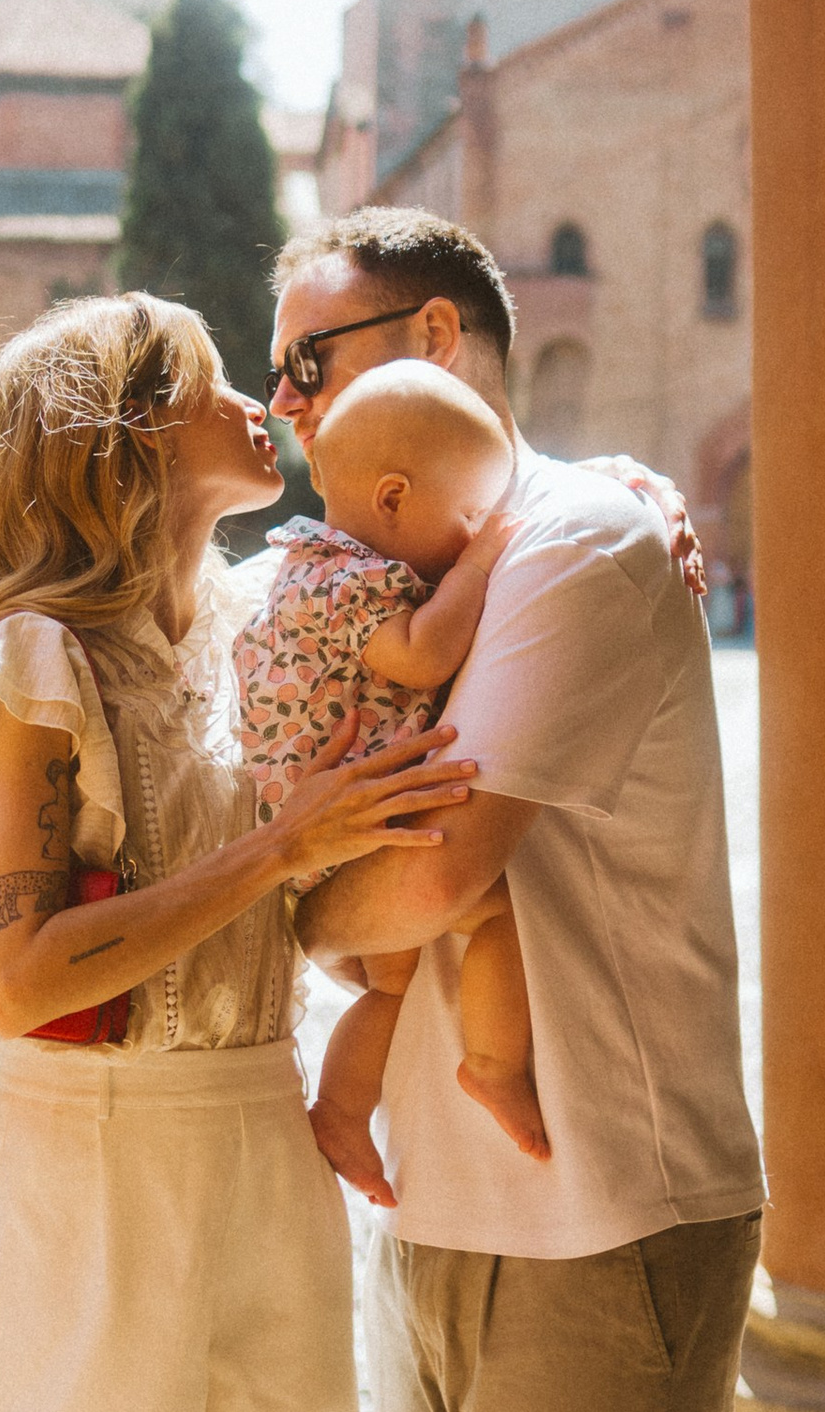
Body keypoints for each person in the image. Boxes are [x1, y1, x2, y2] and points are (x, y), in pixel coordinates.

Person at [0, 292, 477, 1412]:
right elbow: (20, 978)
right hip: (92, 1171)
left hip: (271, 1136)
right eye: (207, 380)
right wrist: (286, 846)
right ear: (126, 430)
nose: (254, 400)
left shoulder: (263, 626)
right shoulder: (40, 656)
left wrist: (620, 503)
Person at [277, 208, 766, 1412]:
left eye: (307, 361)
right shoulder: (372, 574)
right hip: (433, 1209)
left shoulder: (578, 538)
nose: (283, 401)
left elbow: (436, 878)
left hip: (595, 1208)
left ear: (434, 335)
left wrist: (278, 891)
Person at [232, 361, 543, 1213]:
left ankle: (340, 1109)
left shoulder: (303, 565)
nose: (473, 530)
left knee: (392, 983)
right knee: (495, 910)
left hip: (324, 825)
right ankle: (494, 1065)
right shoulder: (349, 579)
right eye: (466, 514)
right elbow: (423, 654)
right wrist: (485, 561)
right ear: (396, 499)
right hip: (348, 821)